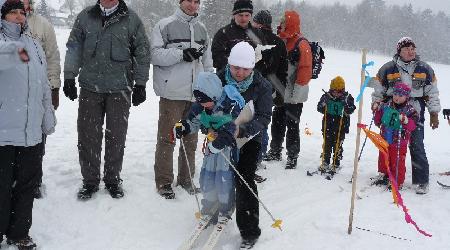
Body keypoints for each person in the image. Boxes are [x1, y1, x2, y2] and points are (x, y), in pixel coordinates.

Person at [63, 0, 150, 200]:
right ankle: (90, 181)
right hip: (89, 88)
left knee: (116, 136)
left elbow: (142, 52)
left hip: (119, 89)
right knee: (87, 136)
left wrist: (141, 83)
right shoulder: (85, 16)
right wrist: (69, 76)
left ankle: (112, 179)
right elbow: (74, 47)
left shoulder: (131, 19)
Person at [0, 0, 56, 248]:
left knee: (26, 185)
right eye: (13, 13)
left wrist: (47, 115)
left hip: (31, 131)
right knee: (1, 187)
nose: (19, 17)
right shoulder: (4, 44)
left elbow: (42, 84)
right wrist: (14, 49)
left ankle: (20, 232)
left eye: (22, 13)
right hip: (4, 130)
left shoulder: (34, 44)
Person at [151, 0, 213, 199]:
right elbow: (155, 55)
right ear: (180, 2)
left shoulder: (202, 29)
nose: (193, 5)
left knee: (191, 140)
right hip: (172, 94)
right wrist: (180, 54)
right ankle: (164, 182)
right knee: (167, 139)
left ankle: (186, 179)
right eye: (189, 0)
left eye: (197, 2)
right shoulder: (164, 25)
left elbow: (208, 63)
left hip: (195, 96)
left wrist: (208, 90)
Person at [216, 41, 272, 248]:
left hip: (249, 137)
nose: (240, 73)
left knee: (244, 178)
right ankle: (218, 208)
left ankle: (249, 230)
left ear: (252, 67)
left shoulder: (262, 86)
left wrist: (243, 130)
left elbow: (265, 117)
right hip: (223, 135)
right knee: (219, 173)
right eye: (235, 67)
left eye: (245, 69)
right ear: (229, 64)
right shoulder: (219, 78)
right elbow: (207, 104)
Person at [371, 37, 441, 194]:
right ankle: (387, 174)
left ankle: (421, 180)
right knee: (387, 145)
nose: (411, 51)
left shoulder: (425, 69)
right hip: (391, 112)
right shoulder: (387, 68)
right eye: (407, 49)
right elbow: (378, 90)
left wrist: (434, 112)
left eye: (413, 49)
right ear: (399, 51)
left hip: (414, 113)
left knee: (417, 145)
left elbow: (432, 93)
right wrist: (376, 106)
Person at [174, 72, 244, 223]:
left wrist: (220, 142)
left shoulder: (229, 104)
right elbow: (192, 122)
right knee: (208, 176)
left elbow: (234, 127)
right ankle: (210, 204)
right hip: (211, 147)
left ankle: (226, 206)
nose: (203, 105)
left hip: (227, 148)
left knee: (223, 178)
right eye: (200, 102)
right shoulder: (200, 107)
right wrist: (183, 127)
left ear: (214, 96)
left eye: (205, 101)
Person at [263, 10, 312, 169]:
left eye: (284, 22)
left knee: (292, 124)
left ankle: (292, 156)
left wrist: (295, 95)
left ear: (291, 23)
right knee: (277, 121)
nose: (281, 24)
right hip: (281, 91)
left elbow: (305, 70)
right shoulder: (281, 39)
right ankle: (275, 150)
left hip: (294, 93)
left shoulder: (301, 43)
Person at [23, 0, 61, 199]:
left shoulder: (43, 25)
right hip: (11, 95)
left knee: (37, 139)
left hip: (37, 94)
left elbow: (52, 57)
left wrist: (54, 87)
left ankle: (34, 180)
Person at [251, 10, 288, 180]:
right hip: (270, 89)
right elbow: (283, 70)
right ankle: (257, 158)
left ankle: (249, 157)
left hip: (250, 86)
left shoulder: (251, 39)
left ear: (258, 23)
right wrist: (280, 93)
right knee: (263, 123)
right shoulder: (280, 43)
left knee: (248, 121)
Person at [373, 83, 418, 188]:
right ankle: (384, 174)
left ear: (406, 97)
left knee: (397, 161)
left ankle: (397, 181)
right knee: (383, 157)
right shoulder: (386, 105)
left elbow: (413, 125)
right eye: (395, 94)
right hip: (385, 137)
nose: (397, 97)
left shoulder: (409, 110)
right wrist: (376, 110)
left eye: (400, 95)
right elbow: (378, 120)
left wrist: (407, 121)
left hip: (399, 141)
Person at [211, 0, 266, 71]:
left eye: (247, 15)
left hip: (252, 78)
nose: (244, 18)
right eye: (240, 15)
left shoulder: (258, 34)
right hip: (227, 78)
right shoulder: (223, 33)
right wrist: (235, 68)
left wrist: (251, 69)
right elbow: (216, 58)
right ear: (234, 15)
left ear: (251, 16)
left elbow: (263, 56)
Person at [317, 76, 356, 173]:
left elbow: (351, 109)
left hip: (341, 126)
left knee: (338, 144)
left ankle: (336, 162)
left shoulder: (347, 98)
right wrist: (323, 103)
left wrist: (345, 103)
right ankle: (325, 161)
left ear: (342, 91)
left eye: (339, 92)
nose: (336, 94)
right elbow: (319, 108)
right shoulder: (326, 96)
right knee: (327, 143)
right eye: (334, 91)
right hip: (328, 124)